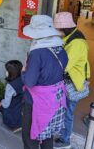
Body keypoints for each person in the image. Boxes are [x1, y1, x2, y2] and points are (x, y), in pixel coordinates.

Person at [21, 15, 68, 149]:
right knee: (47, 135)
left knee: (30, 137)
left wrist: (23, 71)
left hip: (37, 102)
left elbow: (29, 82)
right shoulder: (60, 48)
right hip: (56, 100)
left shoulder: (37, 52)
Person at [53, 12, 90, 149]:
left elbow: (64, 65)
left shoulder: (76, 43)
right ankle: (62, 133)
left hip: (73, 83)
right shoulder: (71, 36)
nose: (57, 31)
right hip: (70, 81)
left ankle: (65, 140)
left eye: (58, 29)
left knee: (67, 112)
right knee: (64, 110)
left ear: (65, 28)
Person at [0, 60, 24, 132]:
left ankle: (14, 125)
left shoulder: (10, 86)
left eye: (7, 70)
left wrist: (1, 103)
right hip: (22, 107)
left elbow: (6, 104)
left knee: (1, 106)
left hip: (13, 110)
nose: (6, 72)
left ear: (11, 72)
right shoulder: (24, 78)